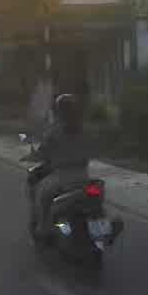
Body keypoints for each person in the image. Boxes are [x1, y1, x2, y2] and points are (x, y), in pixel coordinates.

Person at [31, 93, 93, 235]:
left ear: (59, 111)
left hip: (62, 177)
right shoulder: (86, 129)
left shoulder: (54, 132)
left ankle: (43, 228)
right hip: (84, 176)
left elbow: (42, 152)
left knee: (41, 194)